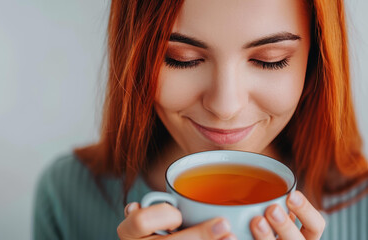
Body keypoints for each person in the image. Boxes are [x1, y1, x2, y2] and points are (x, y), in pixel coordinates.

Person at [33, 0, 368, 239]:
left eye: (270, 60)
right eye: (181, 59)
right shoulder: (67, 196)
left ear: (316, 60)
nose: (225, 106)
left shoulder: (361, 210)